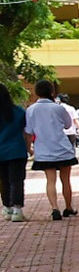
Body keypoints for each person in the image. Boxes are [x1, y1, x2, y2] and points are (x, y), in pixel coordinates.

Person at [24, 81, 77, 219]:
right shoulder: (58, 108)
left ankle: (55, 208)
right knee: (65, 179)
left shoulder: (31, 110)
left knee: (50, 180)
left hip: (44, 150)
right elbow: (68, 125)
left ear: (36, 92)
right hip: (62, 148)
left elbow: (28, 131)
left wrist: (29, 148)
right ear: (52, 92)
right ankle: (68, 207)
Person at [0, 86, 26, 223]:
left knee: (4, 181)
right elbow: (26, 131)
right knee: (17, 181)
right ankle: (17, 210)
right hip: (17, 151)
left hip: (1, 151)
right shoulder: (19, 112)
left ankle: (7, 208)